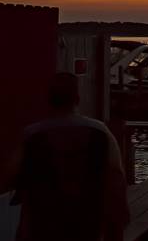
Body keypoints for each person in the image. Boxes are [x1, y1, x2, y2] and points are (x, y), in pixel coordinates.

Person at [9, 72, 129, 241]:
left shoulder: (31, 135)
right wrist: (117, 223)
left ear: (49, 100)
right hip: (87, 223)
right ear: (77, 99)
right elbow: (117, 177)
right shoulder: (100, 132)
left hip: (42, 223)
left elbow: (12, 175)